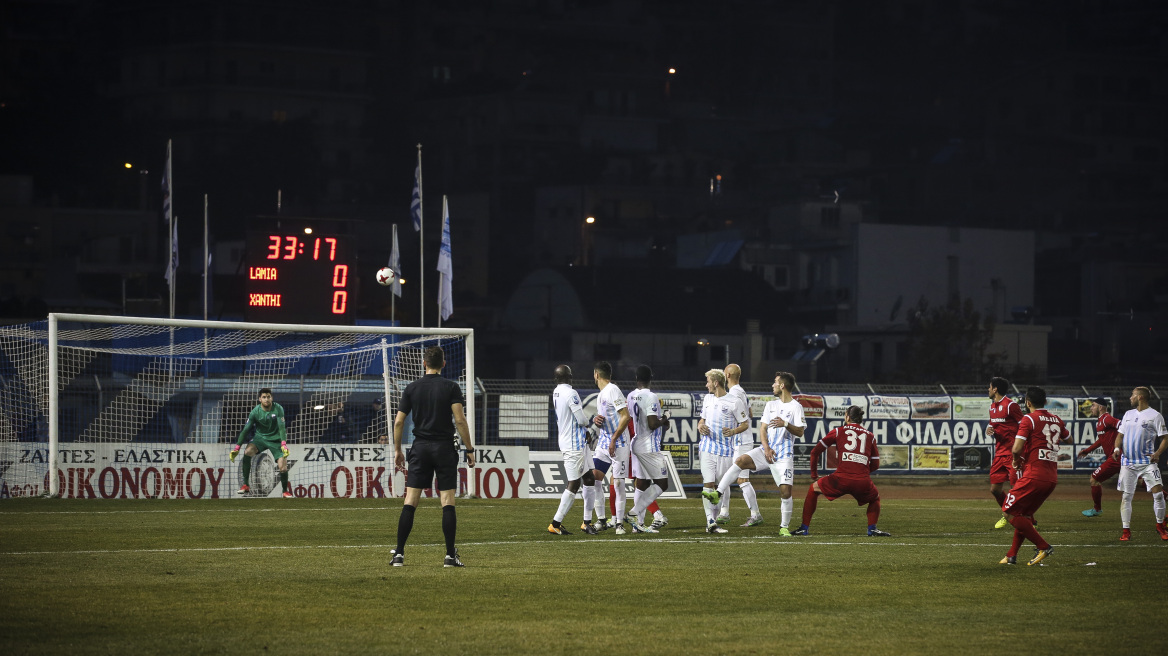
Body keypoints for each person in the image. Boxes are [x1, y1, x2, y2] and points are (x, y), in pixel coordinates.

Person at [390, 346, 476, 567]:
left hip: (420, 447)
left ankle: (399, 554)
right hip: (444, 447)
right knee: (447, 501)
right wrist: (469, 449)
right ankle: (449, 556)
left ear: (423, 363)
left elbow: (399, 421)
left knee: (410, 500)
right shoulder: (451, 387)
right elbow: (460, 420)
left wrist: (398, 450)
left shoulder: (411, 388)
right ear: (444, 364)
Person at [709, 372, 803, 532]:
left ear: (782, 386)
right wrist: (766, 448)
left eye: (775, 382)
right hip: (766, 451)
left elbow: (800, 432)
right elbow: (763, 429)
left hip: (783, 455)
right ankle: (718, 493)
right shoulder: (771, 405)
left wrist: (786, 423)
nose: (772, 385)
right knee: (740, 461)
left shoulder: (796, 407)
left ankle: (784, 527)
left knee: (786, 492)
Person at [792, 405, 889, 537]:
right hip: (862, 481)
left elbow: (815, 452)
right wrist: (862, 472)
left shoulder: (838, 431)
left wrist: (814, 475)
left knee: (813, 489)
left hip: (840, 479)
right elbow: (876, 464)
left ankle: (804, 528)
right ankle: (872, 529)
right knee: (875, 498)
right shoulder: (870, 436)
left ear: (848, 417)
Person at [998, 386, 1067, 565]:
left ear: (1028, 402)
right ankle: (1012, 555)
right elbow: (1070, 439)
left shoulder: (1029, 418)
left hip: (1034, 475)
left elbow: (1017, 448)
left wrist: (1015, 460)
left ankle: (1043, 546)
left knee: (1009, 512)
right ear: (1045, 402)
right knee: (1025, 515)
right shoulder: (1056, 419)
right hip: (1051, 478)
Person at [547, 364, 600, 535]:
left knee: (589, 478)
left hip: (575, 442)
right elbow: (581, 419)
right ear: (570, 376)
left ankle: (586, 522)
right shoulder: (571, 393)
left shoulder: (556, 392)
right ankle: (555, 523)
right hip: (573, 444)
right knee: (574, 483)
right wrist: (588, 423)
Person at [1113, 386, 1168, 542]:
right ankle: (1126, 531)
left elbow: (1165, 438)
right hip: (1128, 463)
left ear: (1140, 397)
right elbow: (1120, 435)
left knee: (1158, 494)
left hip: (1147, 462)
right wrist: (1117, 448)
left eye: (1132, 395)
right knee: (1126, 497)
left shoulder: (1155, 416)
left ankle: (1160, 527)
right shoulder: (1128, 414)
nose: (1130, 397)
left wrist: (1157, 453)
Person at [697, 369, 749, 534]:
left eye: (708, 382)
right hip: (706, 448)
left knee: (720, 488)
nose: (706, 385)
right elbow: (702, 419)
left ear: (716, 383)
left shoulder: (734, 401)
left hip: (725, 451)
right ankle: (710, 522)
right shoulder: (707, 399)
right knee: (708, 484)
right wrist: (700, 426)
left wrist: (733, 431)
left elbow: (745, 423)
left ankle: (715, 518)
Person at [624, 365, 672, 534]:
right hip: (649, 446)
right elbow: (652, 424)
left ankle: (638, 525)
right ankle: (633, 513)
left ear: (636, 378)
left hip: (636, 442)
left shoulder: (630, 396)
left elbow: (632, 418)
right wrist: (665, 417)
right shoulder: (651, 396)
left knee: (641, 484)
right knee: (662, 483)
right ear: (651, 377)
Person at [590, 361, 631, 534]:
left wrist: (614, 438)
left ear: (596, 374)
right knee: (594, 478)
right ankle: (601, 519)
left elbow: (625, 416)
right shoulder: (601, 394)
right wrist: (596, 420)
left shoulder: (612, 390)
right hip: (605, 442)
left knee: (619, 483)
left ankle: (619, 523)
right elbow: (609, 417)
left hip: (619, 443)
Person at [230, 388, 292, 498]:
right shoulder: (255, 412)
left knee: (283, 467)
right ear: (260, 399)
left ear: (271, 398)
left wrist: (283, 443)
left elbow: (282, 428)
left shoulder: (278, 409)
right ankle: (246, 485)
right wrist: (237, 447)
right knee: (247, 451)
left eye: (268, 396)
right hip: (260, 439)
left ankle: (284, 491)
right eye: (264, 397)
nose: (266, 399)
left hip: (276, 440)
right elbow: (245, 430)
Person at [715, 363, 754, 525]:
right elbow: (750, 413)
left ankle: (755, 514)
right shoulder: (741, 391)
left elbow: (744, 418)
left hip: (742, 441)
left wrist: (732, 430)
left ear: (728, 376)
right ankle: (724, 512)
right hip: (738, 441)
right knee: (727, 477)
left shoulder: (735, 393)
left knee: (742, 480)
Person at [986, 377, 1024, 529]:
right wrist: (989, 430)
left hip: (1012, 454)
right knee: (995, 490)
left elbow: (1024, 426)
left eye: (989, 387)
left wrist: (1020, 449)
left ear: (995, 389)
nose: (988, 389)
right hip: (999, 453)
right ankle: (1008, 514)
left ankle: (1029, 521)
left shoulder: (1011, 405)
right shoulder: (992, 407)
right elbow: (993, 426)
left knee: (1018, 490)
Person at [1078, 397, 1121, 517]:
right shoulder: (1101, 421)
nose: (1091, 408)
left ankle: (1097, 509)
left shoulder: (1107, 418)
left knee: (1094, 479)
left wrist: (1119, 447)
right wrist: (1087, 451)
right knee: (1139, 481)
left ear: (1100, 407)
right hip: (1118, 458)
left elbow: (1122, 426)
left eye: (1093, 405)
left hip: (1116, 458)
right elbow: (1101, 441)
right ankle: (1164, 495)